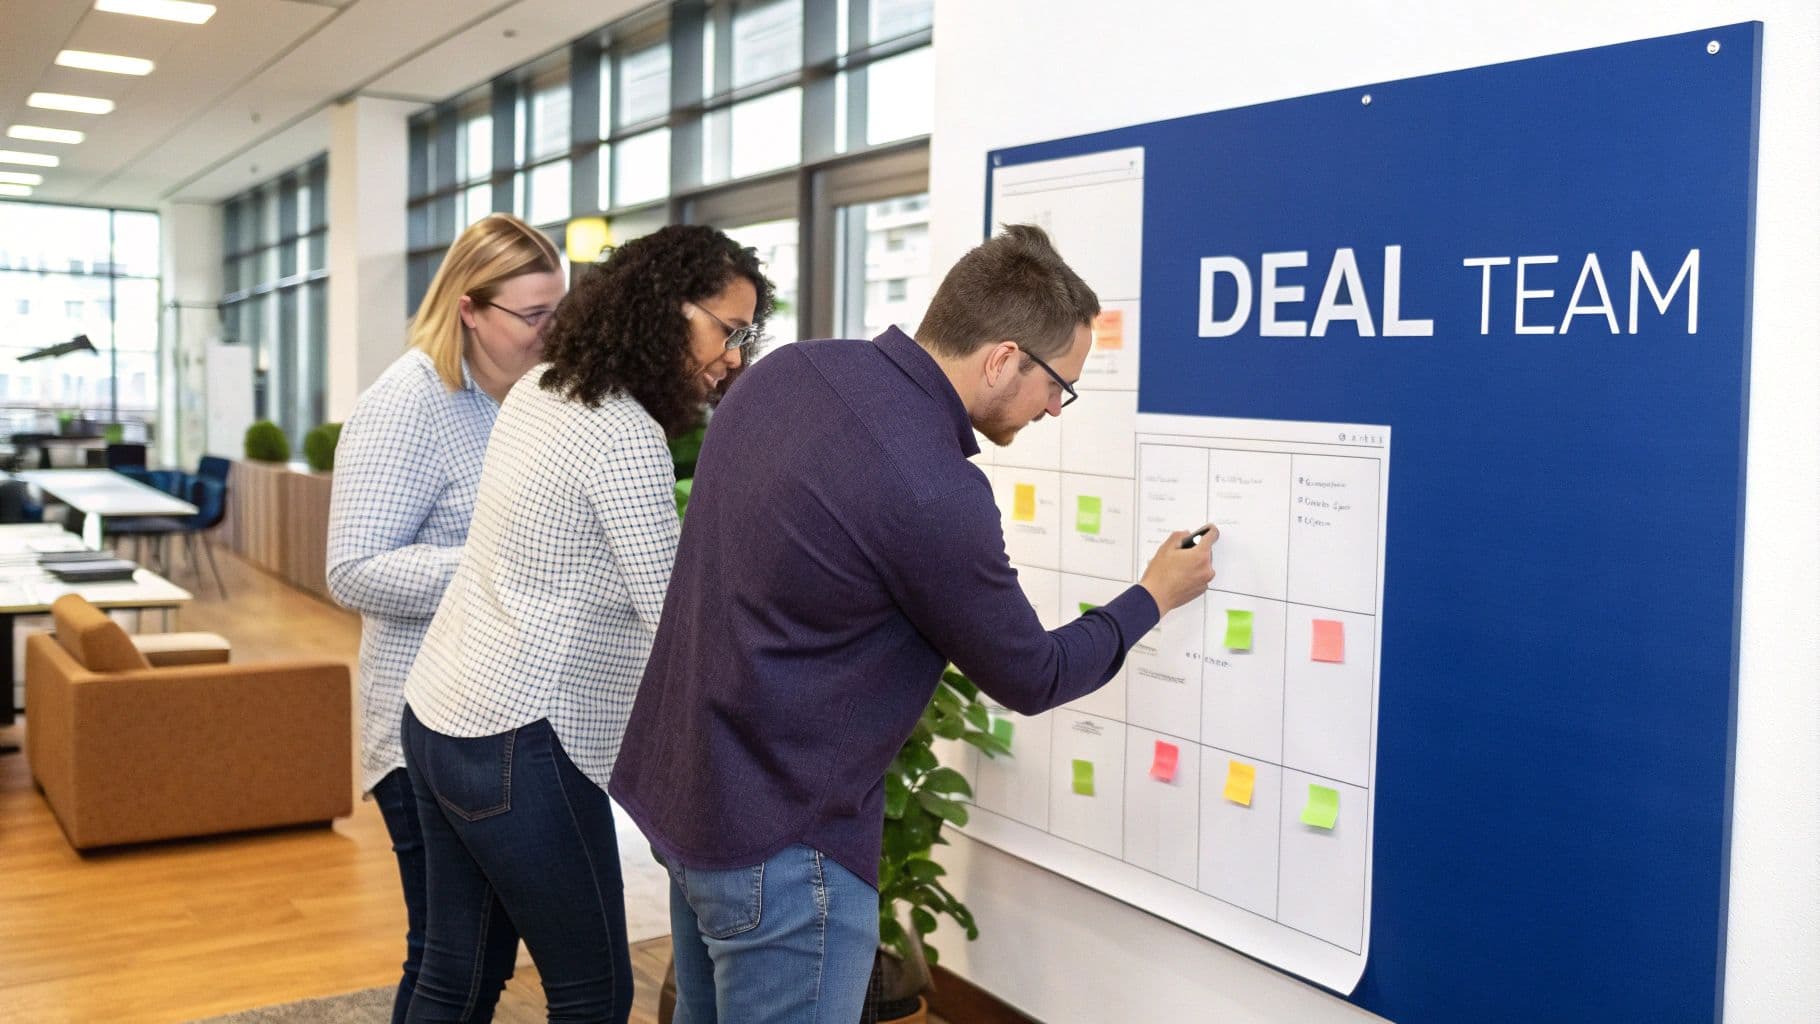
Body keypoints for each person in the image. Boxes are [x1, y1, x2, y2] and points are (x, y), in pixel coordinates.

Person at [609, 223, 1217, 1022]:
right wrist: (1152, 595)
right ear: (1002, 357)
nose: (1054, 410)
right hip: (780, 846)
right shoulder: (932, 488)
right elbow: (1031, 674)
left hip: (686, 796)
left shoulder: (790, 371)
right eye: (1057, 387)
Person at [399, 224, 768, 1023]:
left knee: (454, 974)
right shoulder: (622, 432)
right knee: (594, 991)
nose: (736, 355)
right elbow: (678, 622)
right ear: (667, 311)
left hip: (439, 714)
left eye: (749, 334)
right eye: (728, 329)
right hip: (518, 741)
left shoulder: (545, 388)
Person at [326, 212, 563, 1024]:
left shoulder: (522, 401)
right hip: (418, 730)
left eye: (557, 311)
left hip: (494, 724)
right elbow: (351, 570)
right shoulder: (407, 404)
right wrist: (499, 557)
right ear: (469, 308)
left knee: (475, 958)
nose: (550, 332)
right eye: (533, 316)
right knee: (454, 959)